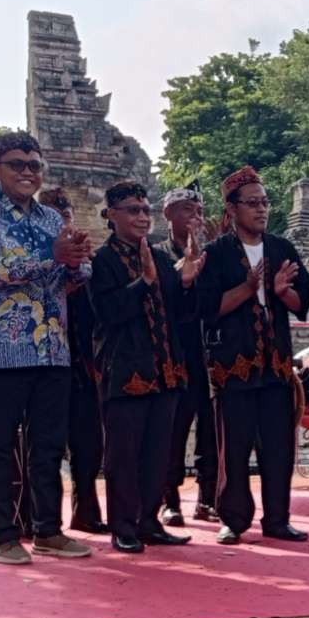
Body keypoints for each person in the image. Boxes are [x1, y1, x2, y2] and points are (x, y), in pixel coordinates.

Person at [0, 131, 93, 565]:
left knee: (50, 445)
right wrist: (55, 257)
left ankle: (48, 531)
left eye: (34, 165)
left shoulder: (53, 220)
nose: (27, 172)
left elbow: (67, 281)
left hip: (52, 347)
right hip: (2, 348)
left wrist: (76, 264)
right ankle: (3, 535)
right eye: (17, 164)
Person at [198, 166, 309, 544]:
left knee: (279, 446)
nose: (262, 209)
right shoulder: (215, 254)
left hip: (276, 364)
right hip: (234, 364)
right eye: (252, 203)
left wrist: (279, 292)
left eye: (265, 202)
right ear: (231, 209)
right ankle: (233, 519)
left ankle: (278, 519)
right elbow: (208, 307)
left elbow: (301, 303)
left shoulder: (282, 248)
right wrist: (250, 287)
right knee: (233, 448)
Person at [90, 181, 206, 554]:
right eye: (132, 210)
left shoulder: (156, 256)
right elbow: (109, 313)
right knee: (124, 456)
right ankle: (123, 526)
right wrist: (144, 283)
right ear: (111, 216)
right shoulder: (102, 260)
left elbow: (181, 313)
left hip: (165, 369)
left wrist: (186, 281)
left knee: (159, 452)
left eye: (144, 210)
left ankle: (150, 521)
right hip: (125, 372)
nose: (141, 217)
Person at [38, 188, 107, 535]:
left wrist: (81, 266)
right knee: (46, 446)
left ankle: (86, 511)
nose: (61, 224)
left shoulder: (86, 259)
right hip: (41, 361)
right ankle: (40, 520)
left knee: (89, 443)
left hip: (82, 363)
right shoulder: (35, 256)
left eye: (65, 218)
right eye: (54, 218)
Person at [156, 185, 220, 526]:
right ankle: (170, 499)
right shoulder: (157, 254)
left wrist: (212, 252)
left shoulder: (210, 254)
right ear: (168, 214)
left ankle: (207, 498)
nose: (194, 217)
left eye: (198, 211)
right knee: (174, 427)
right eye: (185, 210)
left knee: (209, 428)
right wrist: (187, 266)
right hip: (172, 351)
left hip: (206, 350)